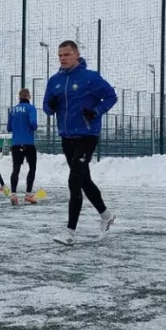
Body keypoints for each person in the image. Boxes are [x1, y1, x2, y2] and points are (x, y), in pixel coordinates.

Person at [42, 41, 117, 246]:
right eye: (60, 55)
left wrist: (96, 111)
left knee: (74, 179)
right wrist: (51, 106)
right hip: (67, 137)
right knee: (84, 180)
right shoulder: (54, 81)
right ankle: (106, 215)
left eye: (66, 54)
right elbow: (46, 108)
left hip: (87, 134)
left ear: (76, 55)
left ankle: (70, 232)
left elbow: (111, 96)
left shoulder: (90, 78)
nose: (63, 58)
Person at [6, 88, 39, 206]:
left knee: (16, 169)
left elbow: (9, 127)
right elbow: (33, 123)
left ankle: (13, 194)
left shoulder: (13, 110)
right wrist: (33, 127)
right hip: (28, 143)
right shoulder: (31, 108)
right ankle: (28, 195)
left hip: (16, 143)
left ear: (19, 97)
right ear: (28, 97)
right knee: (32, 168)